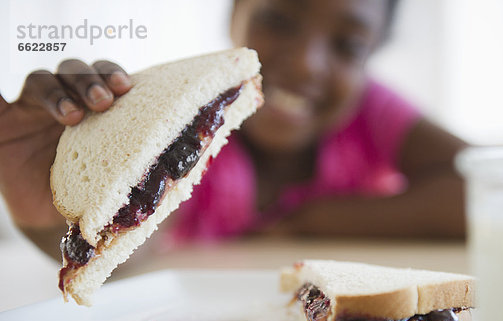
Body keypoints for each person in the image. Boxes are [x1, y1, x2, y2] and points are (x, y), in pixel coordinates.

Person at [0, 0, 466, 262]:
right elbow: (126, 255)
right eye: (279, 20)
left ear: (372, 56)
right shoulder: (186, 122)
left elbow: (481, 189)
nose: (306, 63)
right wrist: (54, 217)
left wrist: (312, 222)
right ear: (234, 15)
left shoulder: (371, 111)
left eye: (347, 46)